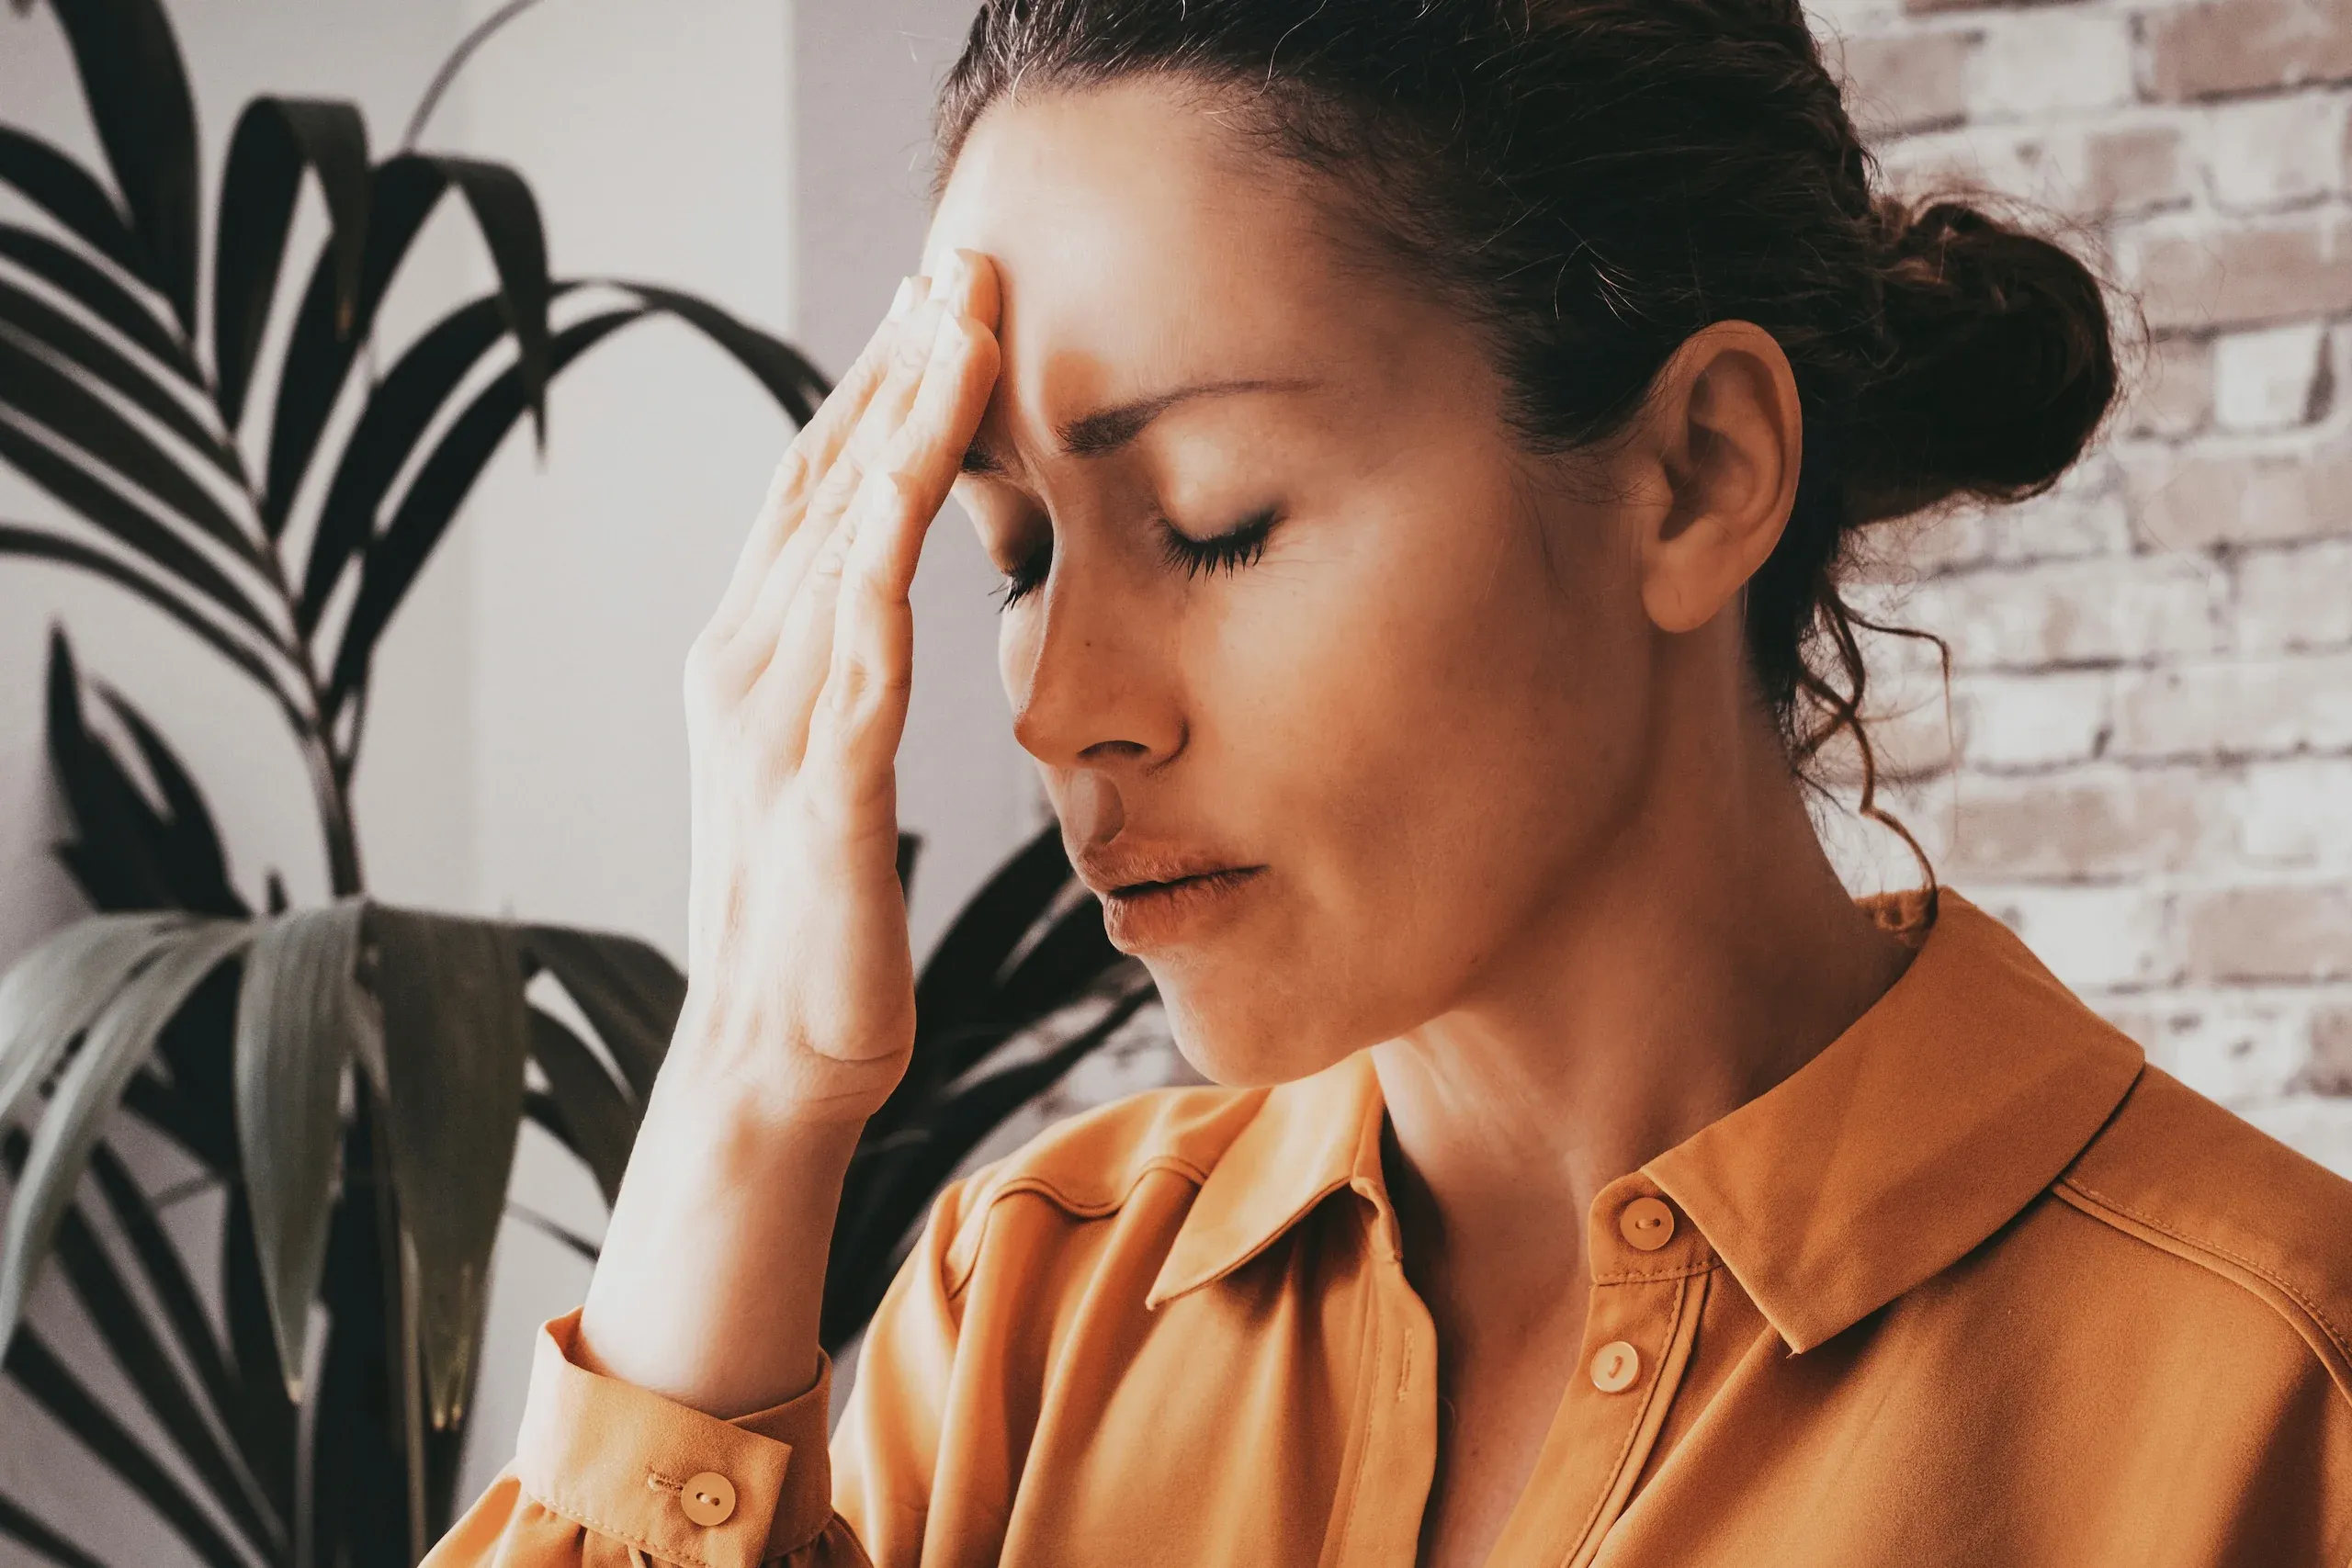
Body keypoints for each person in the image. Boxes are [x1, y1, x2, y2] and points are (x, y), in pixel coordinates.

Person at [426, 2, 2352, 1564]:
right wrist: (749, 1085)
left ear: (1690, 471)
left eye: (1206, 522)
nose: (1056, 703)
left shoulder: (2280, 1402)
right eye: (1016, 552)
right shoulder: (1025, 1313)